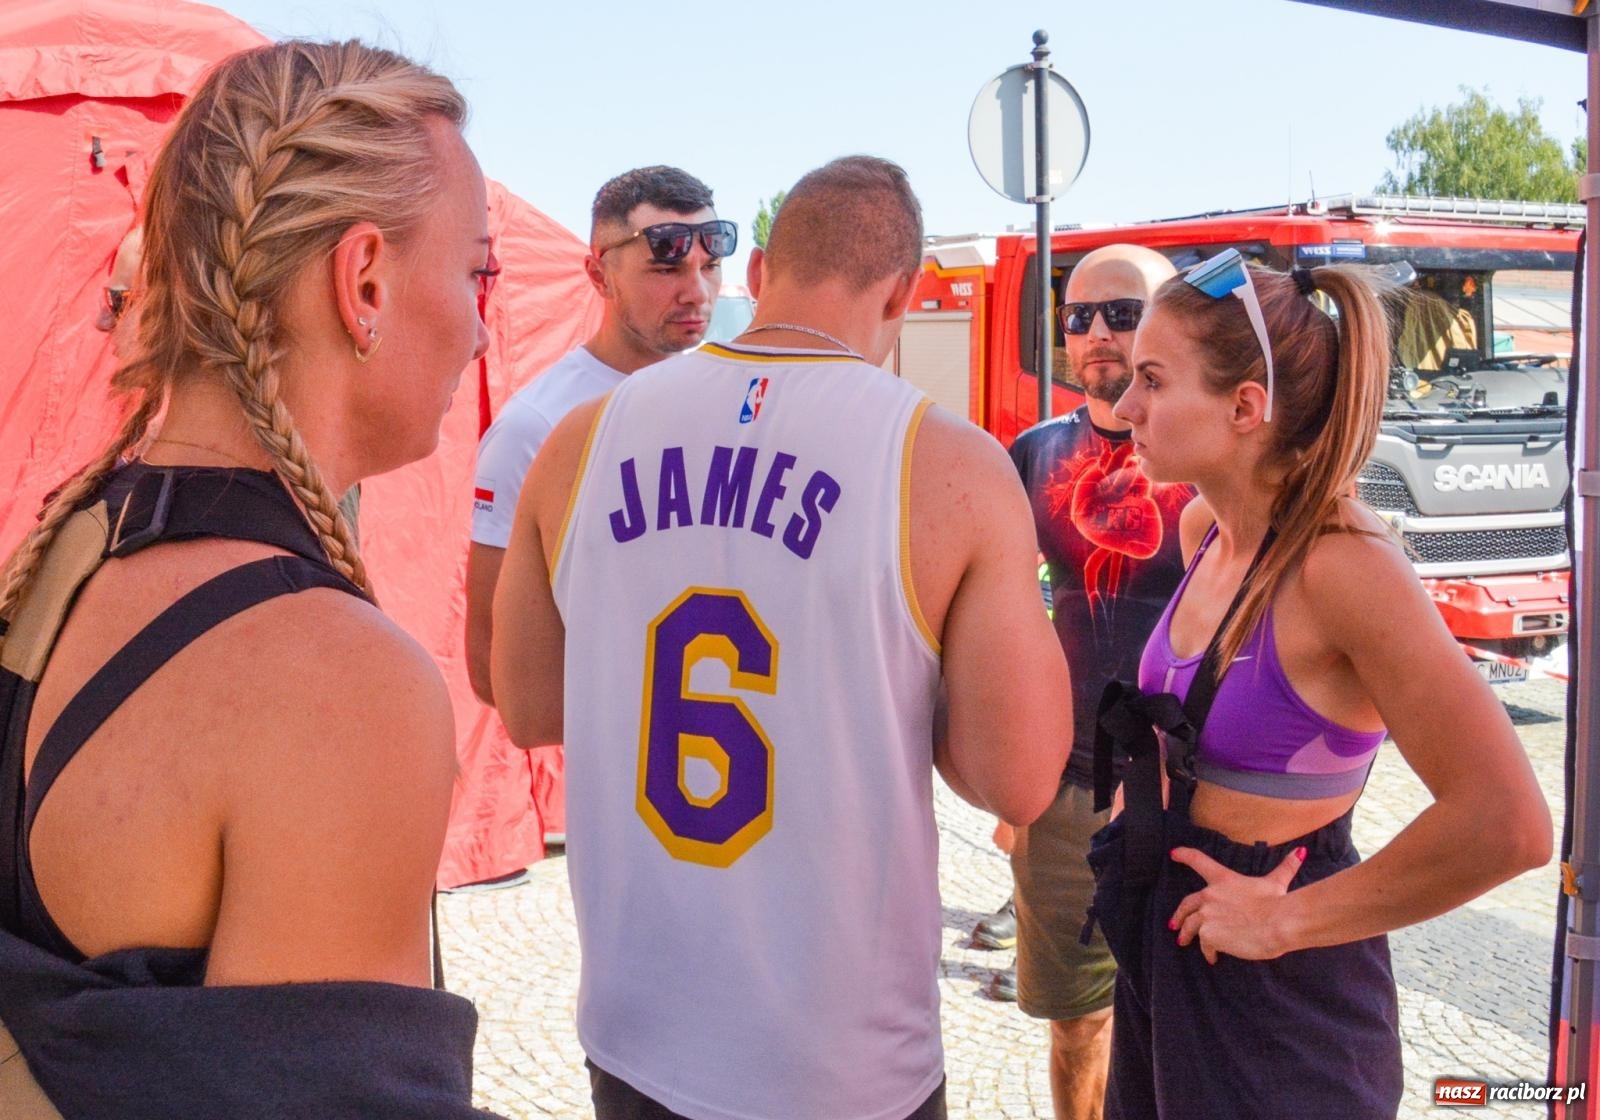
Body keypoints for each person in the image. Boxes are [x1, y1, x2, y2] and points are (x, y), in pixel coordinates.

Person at [492, 155, 1073, 1120]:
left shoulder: (576, 441)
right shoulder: (953, 466)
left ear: (757, 274)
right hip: (841, 1060)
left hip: (636, 1029)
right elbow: (1017, 780)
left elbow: (528, 705)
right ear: (905, 293)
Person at [0, 41, 500, 1118]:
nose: (478, 325)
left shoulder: (67, 548)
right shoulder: (337, 682)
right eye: (476, 271)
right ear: (363, 280)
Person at [1092, 251, 1552, 1119]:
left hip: (1278, 1009)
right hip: (1171, 960)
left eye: (1152, 379)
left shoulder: (1343, 566)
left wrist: (1288, 920)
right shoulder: (1205, 528)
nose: (1125, 408)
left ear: (1245, 407)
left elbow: (1510, 824)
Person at [978, 245, 1189, 1120]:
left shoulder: (1205, 449)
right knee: (1076, 1022)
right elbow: (986, 624)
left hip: (1191, 787)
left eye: (1123, 313)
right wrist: (1005, 783)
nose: (1098, 333)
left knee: (1187, 1014)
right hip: (1064, 790)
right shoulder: (1030, 456)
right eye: (1078, 317)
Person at [465, 165, 730, 707]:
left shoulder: (732, 405)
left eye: (711, 267)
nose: (697, 292)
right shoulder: (534, 428)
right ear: (598, 275)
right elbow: (490, 665)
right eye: (666, 269)